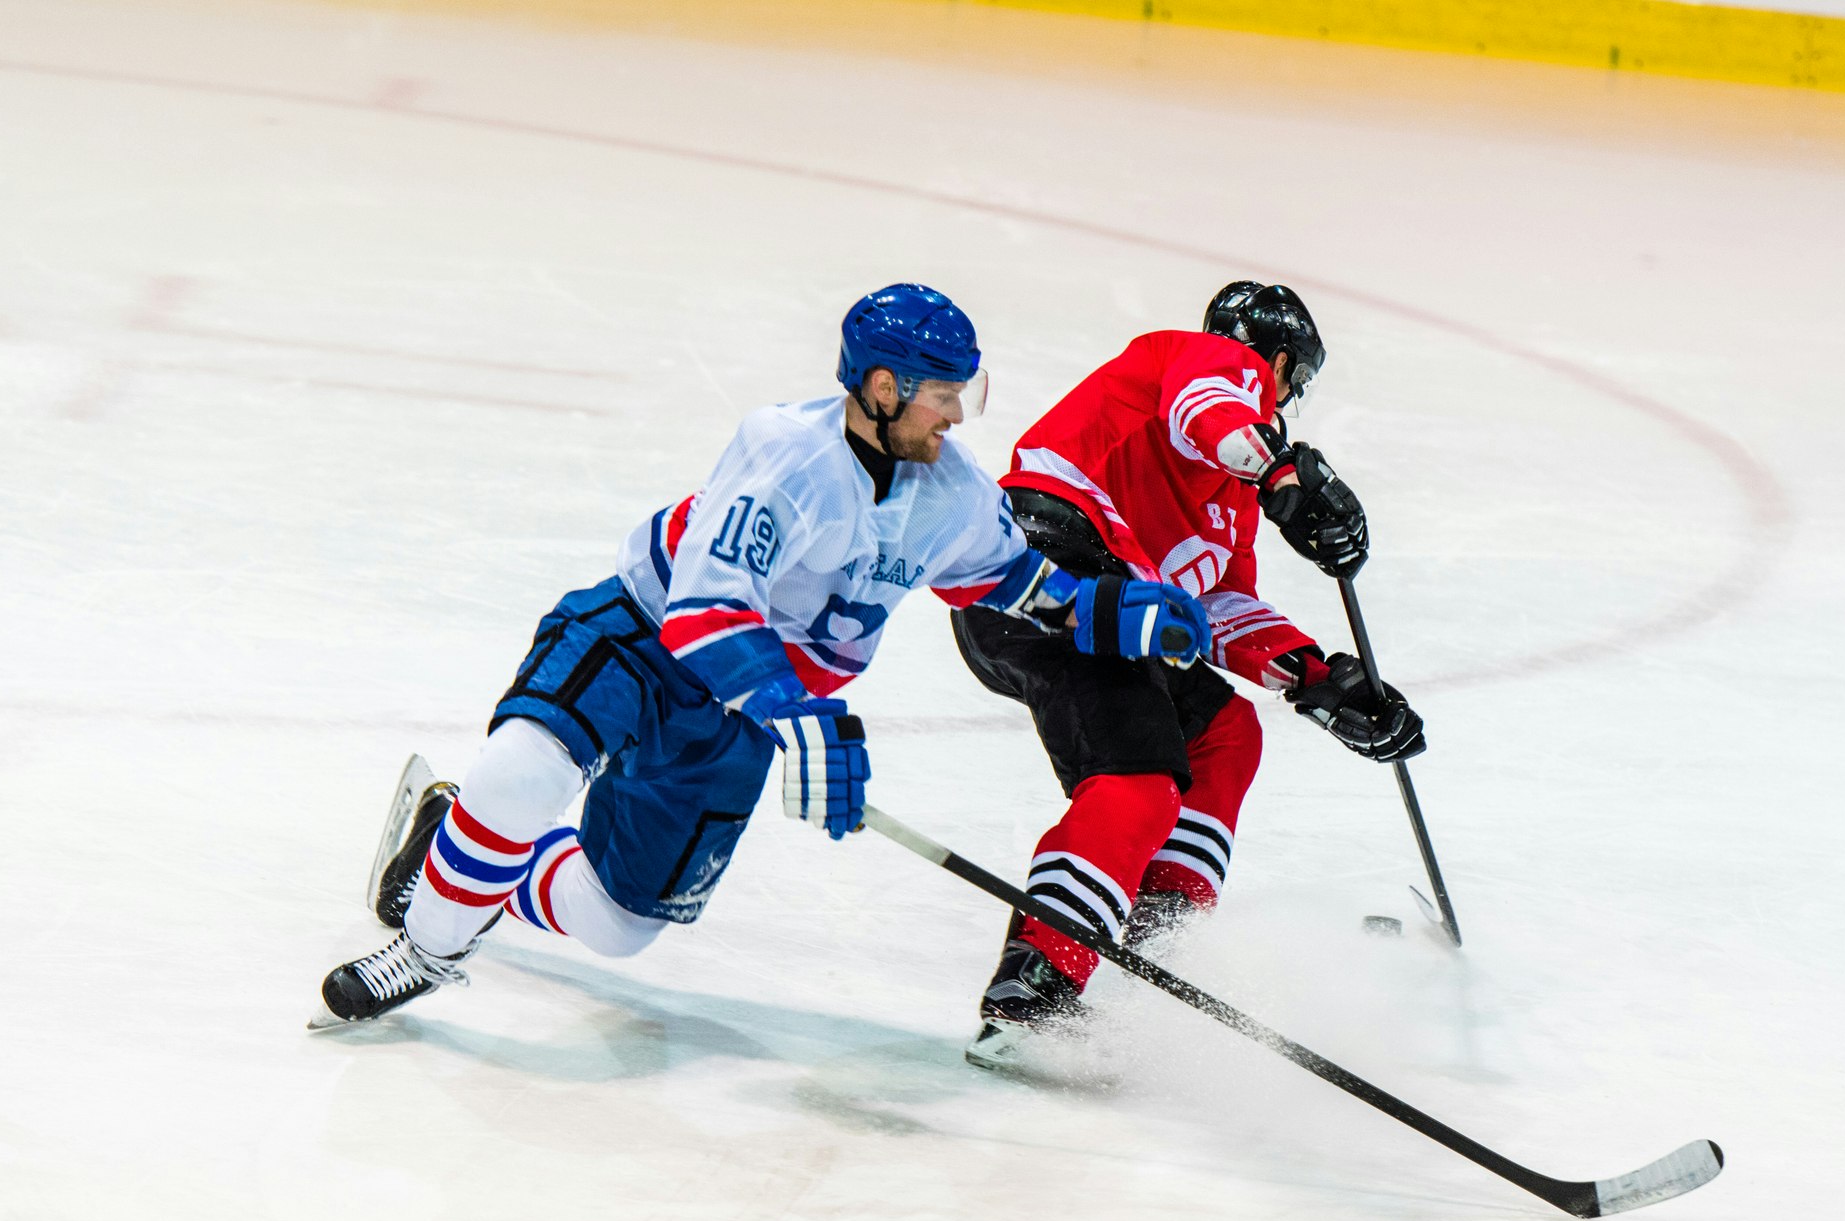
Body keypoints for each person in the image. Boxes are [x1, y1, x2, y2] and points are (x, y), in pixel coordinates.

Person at [313, 284, 1209, 1028]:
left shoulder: (954, 491)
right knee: (518, 774)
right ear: (884, 386)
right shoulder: (784, 452)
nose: (954, 414)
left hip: (742, 710)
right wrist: (794, 711)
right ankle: (424, 952)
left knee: (618, 924)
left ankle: (449, 845)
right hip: (643, 636)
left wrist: (1115, 612)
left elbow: (1010, 582)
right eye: (942, 393)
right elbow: (705, 613)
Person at [951, 281, 1426, 1066]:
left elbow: (1223, 606)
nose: (1278, 399)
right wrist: (1279, 474)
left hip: (1117, 608)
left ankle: (1160, 927)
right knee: (1138, 776)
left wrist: (1321, 680)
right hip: (1051, 574)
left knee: (1222, 731)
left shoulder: (1229, 506)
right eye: (1288, 387)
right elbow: (1207, 407)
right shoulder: (1202, 362)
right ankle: (1032, 994)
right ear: (1276, 363)